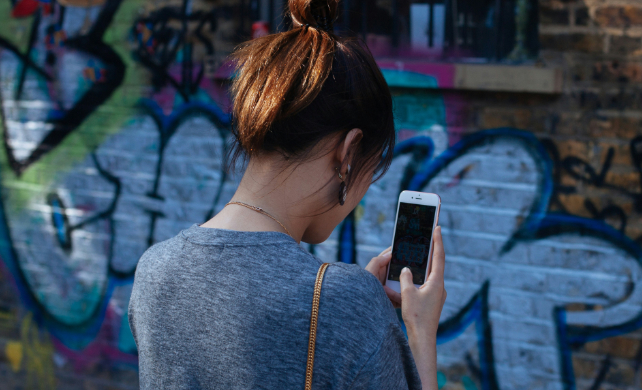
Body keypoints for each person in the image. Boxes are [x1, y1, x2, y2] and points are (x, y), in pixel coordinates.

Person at [128, 0, 447, 388]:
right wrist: (419, 330)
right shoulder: (346, 304)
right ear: (348, 153)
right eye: (371, 170)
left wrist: (343, 302)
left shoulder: (155, 269)